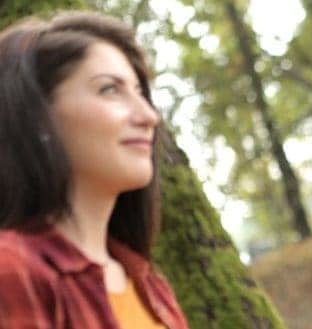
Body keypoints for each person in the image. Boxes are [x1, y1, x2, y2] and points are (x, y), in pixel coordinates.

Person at [0, 12, 189, 328]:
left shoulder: (148, 283)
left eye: (140, 93)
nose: (148, 116)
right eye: (109, 90)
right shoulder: (13, 273)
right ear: (36, 117)